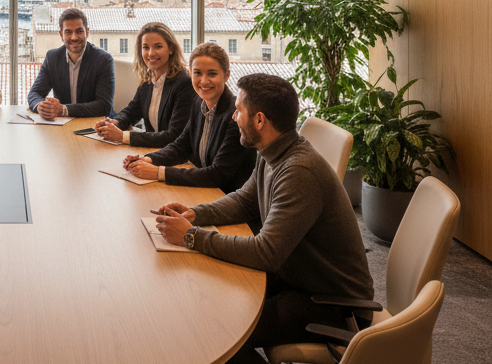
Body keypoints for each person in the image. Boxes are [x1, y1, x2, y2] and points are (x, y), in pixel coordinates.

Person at [152, 73, 374, 364]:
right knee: (210, 300)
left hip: (331, 304)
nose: (233, 117)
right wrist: (195, 214)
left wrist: (191, 236)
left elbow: (266, 253)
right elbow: (245, 200)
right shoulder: (272, 149)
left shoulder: (298, 171)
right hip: (296, 278)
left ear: (259, 120)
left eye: (239, 110)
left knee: (220, 328)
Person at [122, 42, 256, 193]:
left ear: (226, 75)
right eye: (197, 73)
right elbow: (181, 146)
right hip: (204, 192)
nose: (204, 81)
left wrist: (158, 172)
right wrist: (147, 159)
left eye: (212, 74)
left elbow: (218, 174)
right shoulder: (199, 102)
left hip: (226, 198)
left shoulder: (235, 116)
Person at [93, 22, 195, 147]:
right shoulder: (148, 80)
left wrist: (122, 136)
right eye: (146, 47)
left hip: (177, 157)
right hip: (154, 151)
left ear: (171, 49)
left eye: (158, 47)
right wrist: (114, 123)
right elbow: (131, 112)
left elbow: (174, 136)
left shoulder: (184, 83)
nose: (151, 53)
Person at [26, 7, 115, 119]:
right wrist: (40, 106)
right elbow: (34, 93)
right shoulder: (52, 57)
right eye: (68, 32)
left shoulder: (103, 60)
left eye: (79, 31)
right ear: (61, 35)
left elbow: (104, 106)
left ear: (87, 32)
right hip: (63, 125)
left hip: (95, 125)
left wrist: (63, 109)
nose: (74, 37)